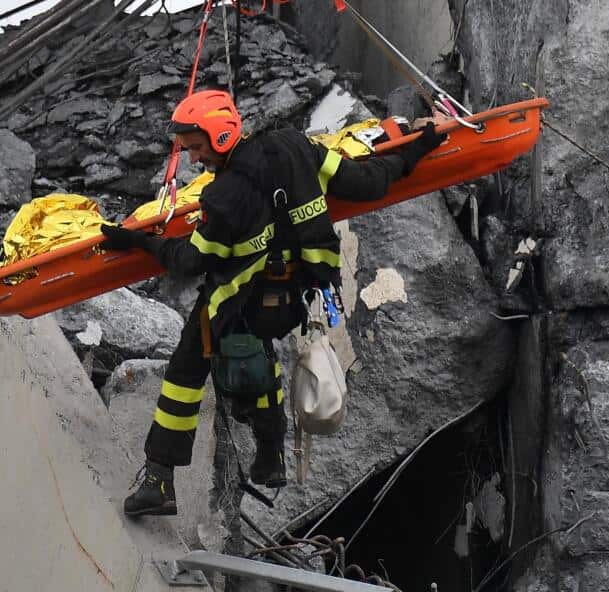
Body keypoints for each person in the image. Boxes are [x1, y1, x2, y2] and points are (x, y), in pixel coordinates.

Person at [94, 89, 446, 517]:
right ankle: (270, 455)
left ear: (220, 138)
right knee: (255, 347)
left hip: (239, 303)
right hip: (298, 298)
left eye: (196, 148)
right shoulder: (297, 147)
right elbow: (368, 182)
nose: (192, 159)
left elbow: (188, 260)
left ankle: (159, 478)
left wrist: (138, 242)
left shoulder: (222, 199)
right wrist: (421, 148)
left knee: (186, 371)